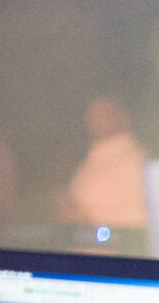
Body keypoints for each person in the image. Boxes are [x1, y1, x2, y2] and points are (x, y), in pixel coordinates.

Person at [61, 94, 149, 229]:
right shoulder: (94, 159)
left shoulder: (134, 160)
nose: (94, 118)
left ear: (123, 117)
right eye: (92, 112)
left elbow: (136, 219)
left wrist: (84, 218)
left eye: (103, 112)